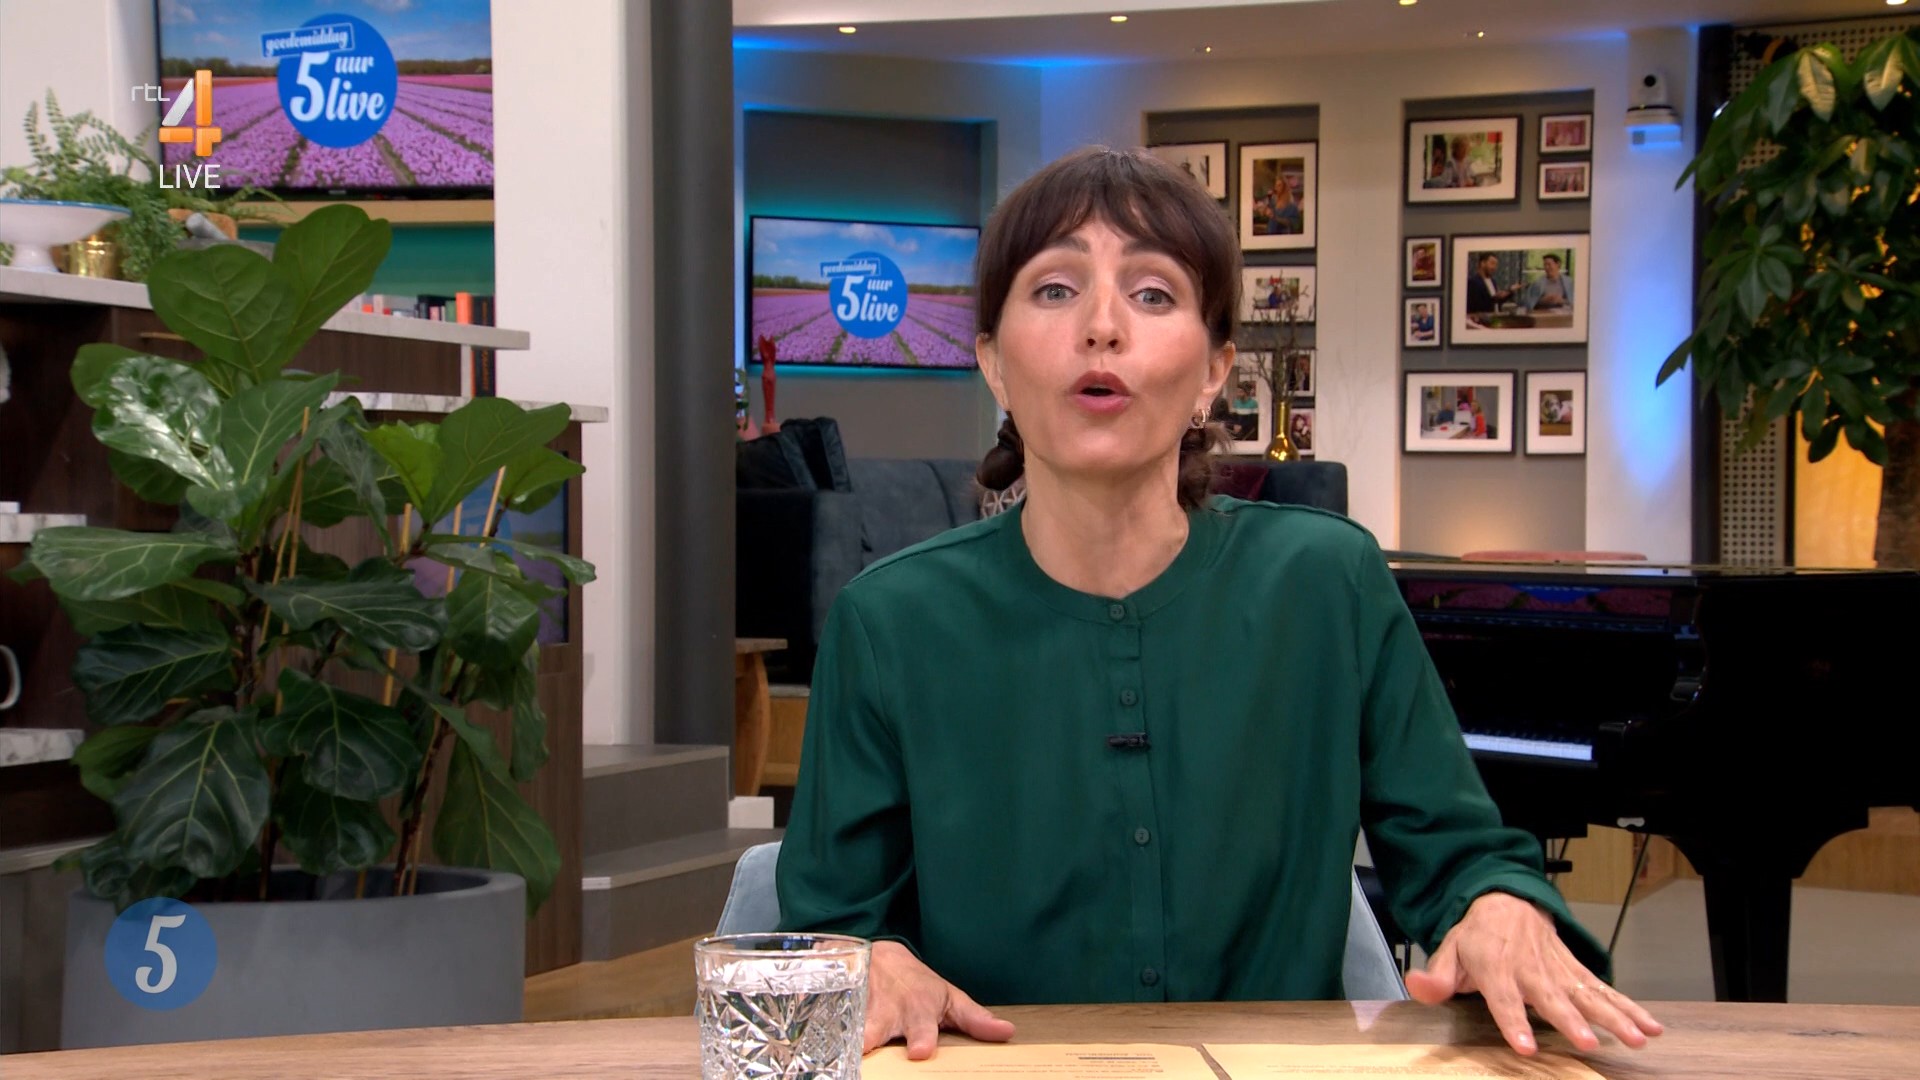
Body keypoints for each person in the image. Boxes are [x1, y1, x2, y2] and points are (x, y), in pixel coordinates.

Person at [777, 145, 1661, 1063]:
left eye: (1153, 293)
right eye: (1056, 289)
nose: (1102, 327)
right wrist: (868, 960)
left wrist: (1498, 907)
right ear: (993, 364)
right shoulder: (889, 622)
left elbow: (1461, 854)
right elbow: (829, 924)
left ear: (1214, 371)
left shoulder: (1328, 583)